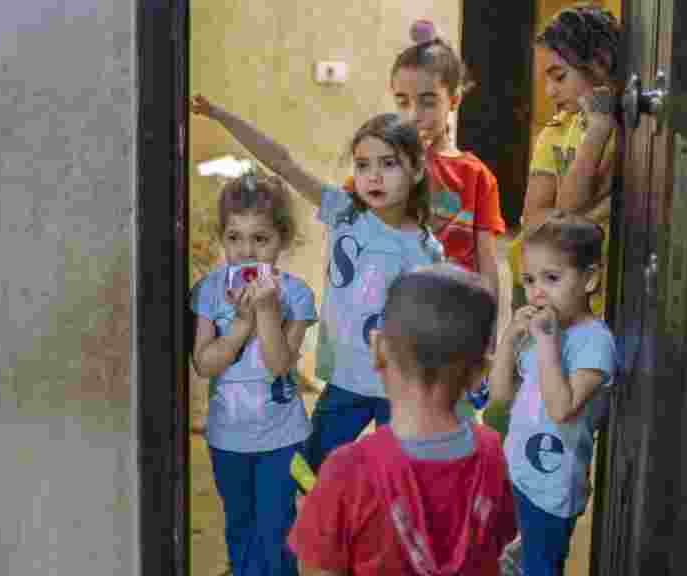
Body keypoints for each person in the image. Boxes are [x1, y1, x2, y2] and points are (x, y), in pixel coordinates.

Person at [191, 95, 444, 475]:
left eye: (388, 164)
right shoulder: (343, 213)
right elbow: (281, 162)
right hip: (345, 380)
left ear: (418, 170)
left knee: (398, 479)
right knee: (309, 472)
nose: (373, 176)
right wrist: (220, 114)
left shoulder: (426, 250)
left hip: (399, 386)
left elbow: (432, 327)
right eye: (363, 165)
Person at [288, 263, 517, 575]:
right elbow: (499, 539)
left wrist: (317, 515)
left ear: (378, 350)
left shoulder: (347, 470)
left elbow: (320, 569)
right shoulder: (492, 453)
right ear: (480, 374)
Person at [336, 19, 508, 421]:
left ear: (454, 99)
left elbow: (487, 264)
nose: (413, 114)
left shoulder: (476, 176)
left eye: (428, 101)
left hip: (452, 324)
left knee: (442, 424)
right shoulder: (382, 169)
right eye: (402, 102)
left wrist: (488, 337)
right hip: (394, 321)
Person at [488, 1, 623, 438]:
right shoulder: (557, 132)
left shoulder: (626, 128)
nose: (548, 91)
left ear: (599, 63)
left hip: (589, 292)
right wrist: (593, 137)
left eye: (559, 75)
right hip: (539, 278)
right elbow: (542, 216)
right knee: (521, 393)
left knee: (571, 409)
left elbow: (565, 209)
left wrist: (600, 129)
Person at [189, 171, 318, 575]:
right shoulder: (208, 291)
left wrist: (266, 311)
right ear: (222, 238)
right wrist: (241, 325)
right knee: (240, 527)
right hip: (227, 438)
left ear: (282, 240)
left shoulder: (296, 294)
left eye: (260, 239)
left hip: (283, 438)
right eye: (234, 237)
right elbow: (204, 364)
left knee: (277, 531)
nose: (246, 250)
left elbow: (279, 365)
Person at [488, 210, 619, 576]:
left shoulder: (594, 343)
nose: (537, 292)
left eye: (552, 278)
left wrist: (547, 342)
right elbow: (501, 397)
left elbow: (562, 409)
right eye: (529, 280)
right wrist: (509, 341)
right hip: (517, 471)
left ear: (590, 279)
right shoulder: (541, 332)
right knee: (506, 561)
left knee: (540, 568)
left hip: (553, 487)